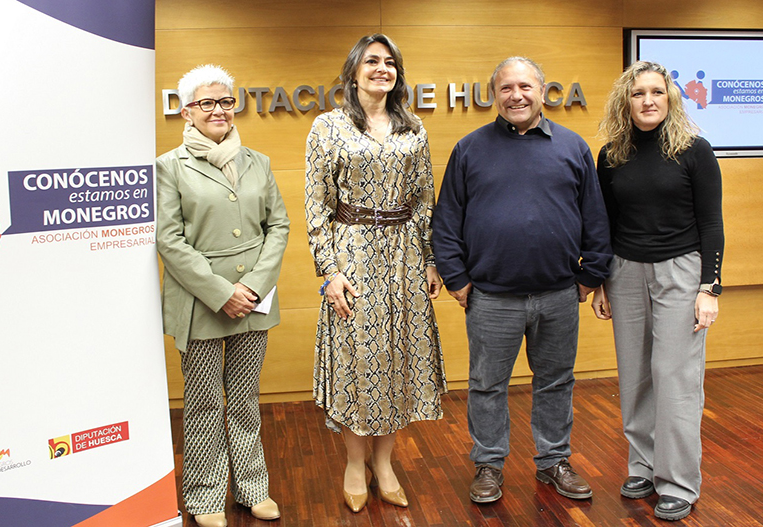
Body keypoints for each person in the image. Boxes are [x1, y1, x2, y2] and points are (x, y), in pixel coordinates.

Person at [433, 56, 612, 504]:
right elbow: (447, 220)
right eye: (507, 88)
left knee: (555, 381)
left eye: (525, 87)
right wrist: (456, 278)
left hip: (557, 295)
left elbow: (595, 218)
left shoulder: (572, 148)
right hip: (491, 298)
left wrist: (590, 277)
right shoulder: (469, 149)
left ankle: (553, 461)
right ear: (495, 95)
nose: (516, 95)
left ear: (542, 90)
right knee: (487, 385)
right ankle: (490, 465)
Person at [305, 33, 447, 514]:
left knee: (396, 362)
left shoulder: (414, 128)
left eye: (389, 63)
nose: (381, 69)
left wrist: (430, 259)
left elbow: (426, 198)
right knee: (356, 361)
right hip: (353, 257)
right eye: (372, 61)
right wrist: (330, 272)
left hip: (405, 256)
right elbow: (316, 206)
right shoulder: (327, 127)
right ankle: (353, 462)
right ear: (354, 71)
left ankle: (385, 464)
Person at [156, 64, 290, 527]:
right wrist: (221, 292)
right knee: (204, 402)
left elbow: (279, 227)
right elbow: (169, 241)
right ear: (186, 111)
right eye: (206, 103)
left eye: (225, 101)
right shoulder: (169, 167)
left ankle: (254, 489)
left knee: (245, 398)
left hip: (254, 299)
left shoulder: (258, 161)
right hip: (200, 303)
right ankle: (206, 496)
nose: (218, 110)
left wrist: (252, 286)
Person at [592, 61, 723, 522]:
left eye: (656, 92)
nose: (648, 100)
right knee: (635, 377)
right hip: (625, 273)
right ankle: (643, 467)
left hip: (680, 273)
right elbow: (605, 224)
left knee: (675, 379)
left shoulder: (695, 151)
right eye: (638, 93)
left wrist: (710, 288)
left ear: (670, 99)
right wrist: (603, 281)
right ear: (624, 102)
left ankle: (679, 482)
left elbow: (712, 223)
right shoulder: (610, 156)